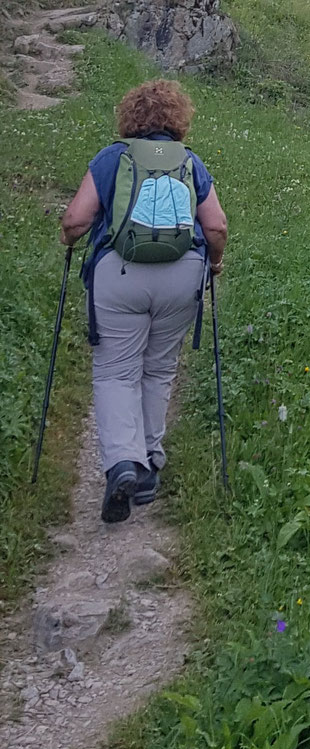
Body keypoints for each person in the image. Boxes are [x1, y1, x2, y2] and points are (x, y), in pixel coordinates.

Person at [60, 80, 228, 524]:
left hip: (119, 275)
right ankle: (150, 464)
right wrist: (213, 264)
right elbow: (216, 227)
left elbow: (77, 219)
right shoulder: (190, 163)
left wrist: (68, 236)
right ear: (178, 120)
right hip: (181, 276)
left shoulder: (113, 158)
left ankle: (122, 464)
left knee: (116, 371)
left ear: (130, 118)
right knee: (158, 368)